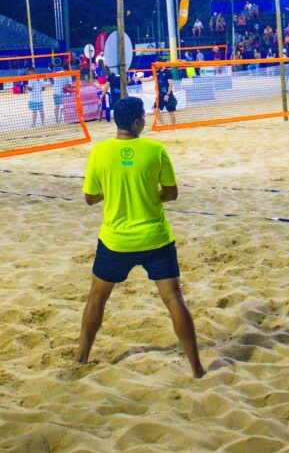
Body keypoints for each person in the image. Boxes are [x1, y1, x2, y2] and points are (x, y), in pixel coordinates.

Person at [77, 97, 204, 378]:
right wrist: (148, 197)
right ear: (137, 122)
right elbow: (171, 194)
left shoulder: (100, 152)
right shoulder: (155, 150)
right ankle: (197, 368)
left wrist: (112, 193)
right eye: (143, 117)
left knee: (96, 299)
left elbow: (89, 198)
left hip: (116, 241)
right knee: (174, 300)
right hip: (155, 238)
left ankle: (81, 358)